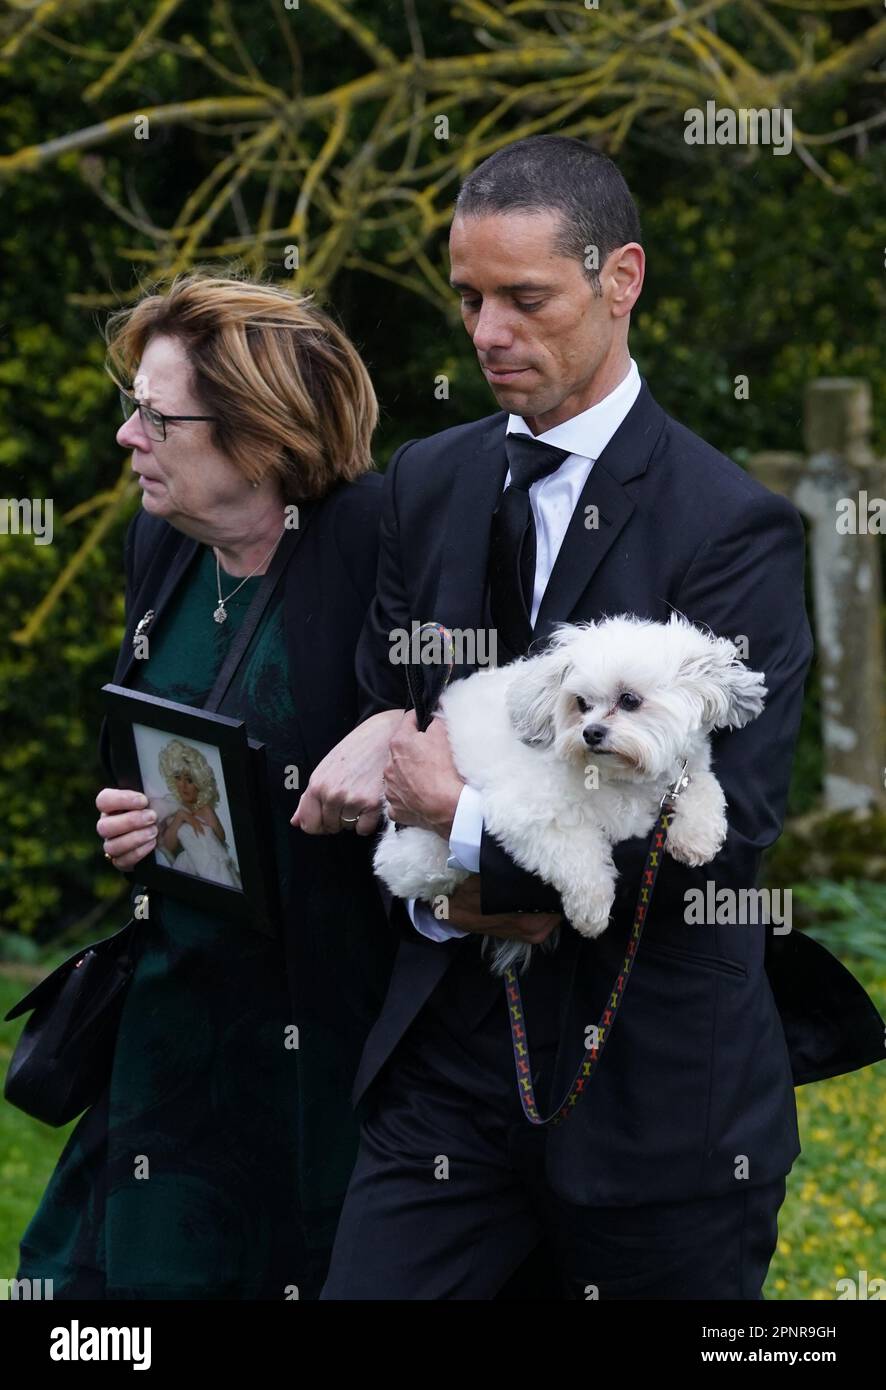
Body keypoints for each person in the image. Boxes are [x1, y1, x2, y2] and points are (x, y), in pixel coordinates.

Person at [306, 134, 883, 1300]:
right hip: (447, 1073)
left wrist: (467, 832)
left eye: (525, 299)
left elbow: (728, 829)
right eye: (467, 298)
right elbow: (389, 709)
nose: (485, 333)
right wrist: (384, 756)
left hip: (653, 1093)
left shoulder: (734, 528)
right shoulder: (427, 480)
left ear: (619, 280)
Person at [16, 270, 400, 1299]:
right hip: (174, 1013)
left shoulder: (378, 544)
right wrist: (135, 816)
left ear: (259, 432)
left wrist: (402, 729)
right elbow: (162, 731)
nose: (126, 439)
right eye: (130, 408)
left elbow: (464, 733)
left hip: (324, 1036)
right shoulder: (165, 541)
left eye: (156, 416)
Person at [152, 739, 241, 888]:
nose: (183, 785)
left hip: (215, 875)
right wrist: (181, 817)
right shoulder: (172, 808)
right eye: (178, 778)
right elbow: (167, 846)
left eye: (189, 780)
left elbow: (220, 842)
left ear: (200, 783)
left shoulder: (205, 810)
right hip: (185, 875)